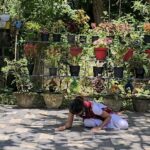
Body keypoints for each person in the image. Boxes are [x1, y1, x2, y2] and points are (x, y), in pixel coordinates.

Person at [55, 96, 128, 132]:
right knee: (87, 123)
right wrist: (64, 127)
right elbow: (69, 124)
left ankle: (106, 123)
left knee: (124, 125)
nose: (76, 115)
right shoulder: (73, 108)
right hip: (95, 118)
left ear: (83, 108)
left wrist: (99, 127)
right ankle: (106, 124)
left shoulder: (94, 108)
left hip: (107, 116)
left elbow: (108, 117)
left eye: (78, 113)